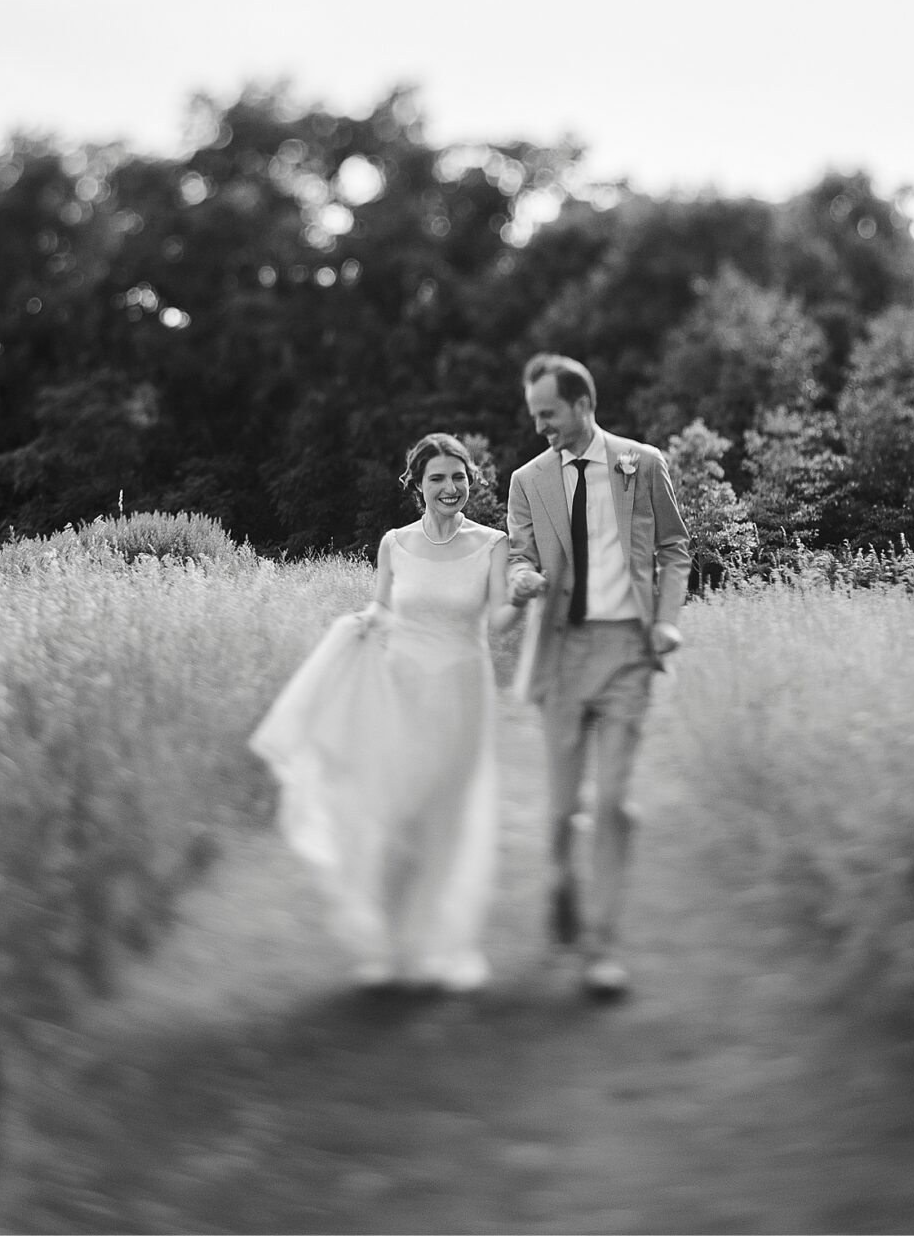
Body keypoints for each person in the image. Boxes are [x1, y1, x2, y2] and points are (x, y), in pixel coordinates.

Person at [249, 432, 518, 990]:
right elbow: (383, 605)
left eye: (458, 476)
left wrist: (522, 598)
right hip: (401, 689)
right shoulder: (394, 543)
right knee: (396, 816)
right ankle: (391, 947)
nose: (450, 487)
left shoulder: (494, 544)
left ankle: (442, 949)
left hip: (463, 689)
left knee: (447, 818)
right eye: (438, 478)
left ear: (471, 481)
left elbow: (497, 621)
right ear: (418, 486)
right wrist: (365, 620)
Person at [505, 352, 691, 998]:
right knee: (563, 809)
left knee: (612, 801)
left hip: (626, 656)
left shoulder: (643, 464)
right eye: (534, 416)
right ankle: (560, 879)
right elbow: (519, 557)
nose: (540, 428)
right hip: (561, 656)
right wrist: (521, 579)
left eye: (548, 414)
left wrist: (665, 621)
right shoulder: (526, 481)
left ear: (583, 405)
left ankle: (601, 948)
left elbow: (674, 549)